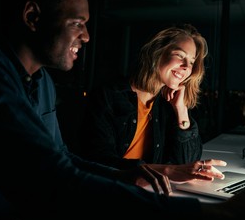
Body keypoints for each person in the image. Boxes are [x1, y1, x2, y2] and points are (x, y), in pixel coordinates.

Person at [0, 0, 245, 220]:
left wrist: (131, 175)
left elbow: (64, 159)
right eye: (77, 23)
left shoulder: (41, 82)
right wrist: (211, 215)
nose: (86, 35)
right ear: (32, 17)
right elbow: (57, 180)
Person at [78, 24, 225, 183]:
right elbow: (99, 162)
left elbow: (186, 164)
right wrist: (166, 171)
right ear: (157, 53)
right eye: (179, 55)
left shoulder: (169, 105)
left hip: (150, 191)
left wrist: (181, 111)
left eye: (191, 62)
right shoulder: (107, 96)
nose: (186, 67)